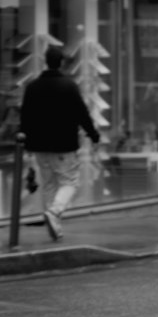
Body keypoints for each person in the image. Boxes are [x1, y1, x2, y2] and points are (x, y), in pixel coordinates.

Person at [19, 43, 101, 240]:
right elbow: (82, 114)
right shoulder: (68, 86)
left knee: (49, 184)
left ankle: (54, 228)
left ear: (45, 62)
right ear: (61, 63)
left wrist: (27, 145)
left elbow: (26, 117)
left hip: (38, 146)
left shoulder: (32, 87)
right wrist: (93, 135)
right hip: (63, 145)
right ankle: (54, 213)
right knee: (69, 182)